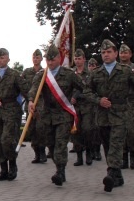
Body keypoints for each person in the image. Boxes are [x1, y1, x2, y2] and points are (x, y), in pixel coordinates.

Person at [84, 40, 134, 192]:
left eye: (109, 52)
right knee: (107, 146)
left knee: (116, 144)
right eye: (103, 53)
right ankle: (118, 175)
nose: (106, 55)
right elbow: (87, 92)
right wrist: (98, 100)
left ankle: (111, 175)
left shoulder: (126, 71)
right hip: (102, 116)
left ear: (115, 54)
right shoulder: (95, 73)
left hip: (120, 114)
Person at [28, 44, 84, 186]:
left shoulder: (69, 74)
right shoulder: (42, 75)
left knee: (60, 143)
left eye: (52, 60)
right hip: (47, 115)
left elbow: (84, 87)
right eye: (48, 60)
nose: (50, 63)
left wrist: (76, 96)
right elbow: (34, 90)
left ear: (59, 58)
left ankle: (60, 171)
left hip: (63, 114)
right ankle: (58, 166)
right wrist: (30, 101)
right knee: (51, 144)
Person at [0, 48, 26, 181]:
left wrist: (32, 102)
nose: (0, 60)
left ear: (8, 59)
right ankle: (3, 169)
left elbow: (26, 90)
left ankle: (12, 165)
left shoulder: (15, 75)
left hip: (11, 111)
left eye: (2, 58)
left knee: (7, 140)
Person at [70, 49, 96, 166]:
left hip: (87, 106)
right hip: (75, 107)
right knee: (76, 131)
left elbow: (90, 89)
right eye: (76, 59)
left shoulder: (90, 73)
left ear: (84, 59)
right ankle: (79, 156)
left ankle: (89, 152)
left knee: (87, 130)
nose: (77, 61)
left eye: (79, 58)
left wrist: (78, 96)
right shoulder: (71, 73)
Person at [21, 49, 46, 164]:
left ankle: (42, 153)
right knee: (31, 130)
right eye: (34, 57)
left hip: (41, 103)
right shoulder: (27, 72)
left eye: (38, 57)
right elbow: (21, 86)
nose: (35, 59)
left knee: (41, 129)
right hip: (30, 103)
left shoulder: (45, 72)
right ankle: (36, 153)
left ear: (41, 59)